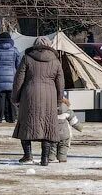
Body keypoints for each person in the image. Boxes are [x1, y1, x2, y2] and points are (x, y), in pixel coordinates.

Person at [11, 37, 65, 166]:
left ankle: (28, 155)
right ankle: (45, 158)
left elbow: (19, 79)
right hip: (49, 96)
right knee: (47, 127)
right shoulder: (56, 61)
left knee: (26, 124)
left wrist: (15, 97)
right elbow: (60, 83)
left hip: (29, 94)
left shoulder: (27, 58)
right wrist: (59, 100)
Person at [55, 98, 83, 163]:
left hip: (52, 133)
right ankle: (62, 158)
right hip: (64, 134)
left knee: (52, 146)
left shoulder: (50, 110)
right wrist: (80, 128)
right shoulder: (68, 111)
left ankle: (50, 158)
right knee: (64, 146)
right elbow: (74, 122)